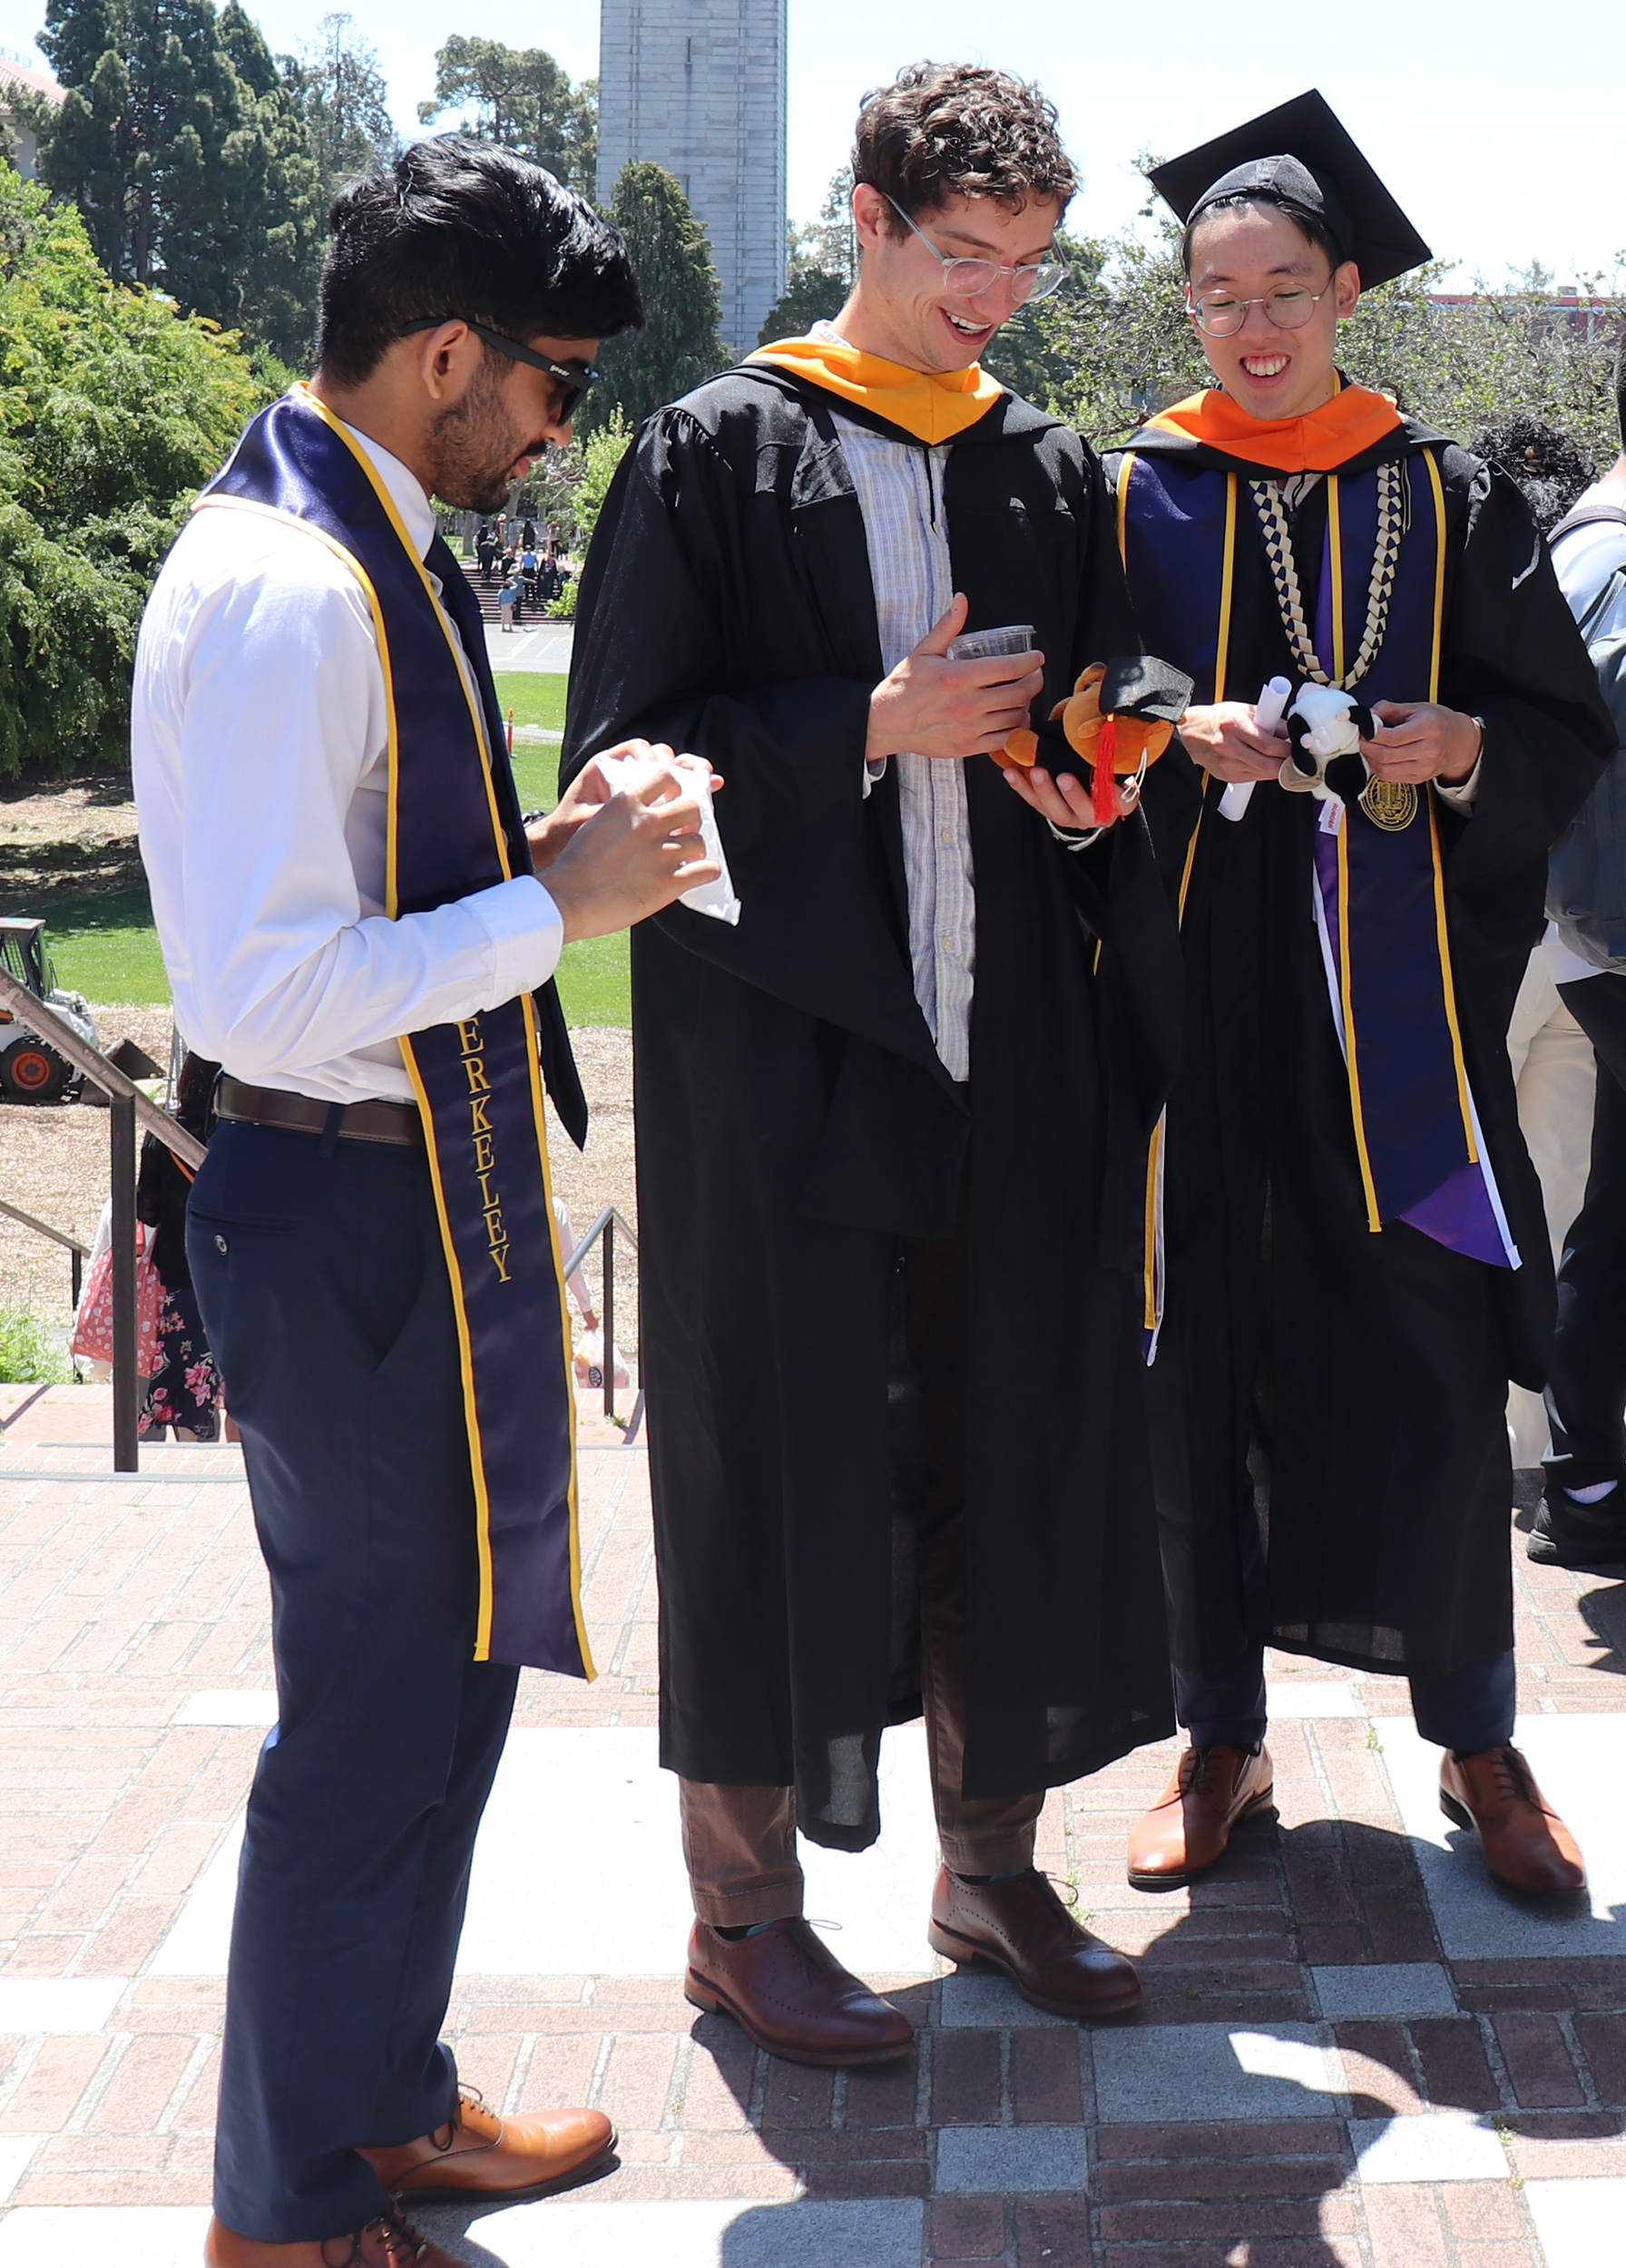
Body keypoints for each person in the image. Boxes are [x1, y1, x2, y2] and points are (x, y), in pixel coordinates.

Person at [132, 135, 720, 2268]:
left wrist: (538, 843)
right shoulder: (296, 586)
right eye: (554, 379)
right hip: (340, 1193)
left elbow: (365, 886)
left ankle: (376, 2105)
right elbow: (268, 987)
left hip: (392, 1191)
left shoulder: (351, 524)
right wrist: (555, 906)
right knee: (370, 1719)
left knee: (437, 1683)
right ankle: (281, 2213)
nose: (560, 423)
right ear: (445, 350)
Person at [563, 60, 1189, 2064]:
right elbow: (619, 756)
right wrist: (864, 727)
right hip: (790, 1064)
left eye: (1021, 261)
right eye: (957, 256)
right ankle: (738, 1912)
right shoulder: (714, 451)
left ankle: (987, 1869)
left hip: (1008, 1054)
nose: (989, 300)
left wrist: (1094, 762)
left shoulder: (1036, 460)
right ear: (864, 219)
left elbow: (1107, 723)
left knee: (1003, 1449)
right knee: (773, 1460)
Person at [1010, 92, 1611, 1898]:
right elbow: (1056, 690)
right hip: (1193, 1007)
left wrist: (1454, 745)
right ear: (1182, 304)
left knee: (1427, 1359)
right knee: (1195, 1354)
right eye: (1213, 295)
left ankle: (1480, 1739)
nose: (1248, 328)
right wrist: (1150, 716)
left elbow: (1562, 730)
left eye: (1279, 289)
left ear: (1342, 290)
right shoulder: (1129, 486)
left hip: (1399, 1024)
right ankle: (1217, 1739)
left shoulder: (1443, 491)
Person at [1529, 339, 1626, 1567]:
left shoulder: (1583, 544)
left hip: (1593, 935)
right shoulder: (1611, 553)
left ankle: (1585, 1482)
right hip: (1610, 929)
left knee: (1612, 1206)